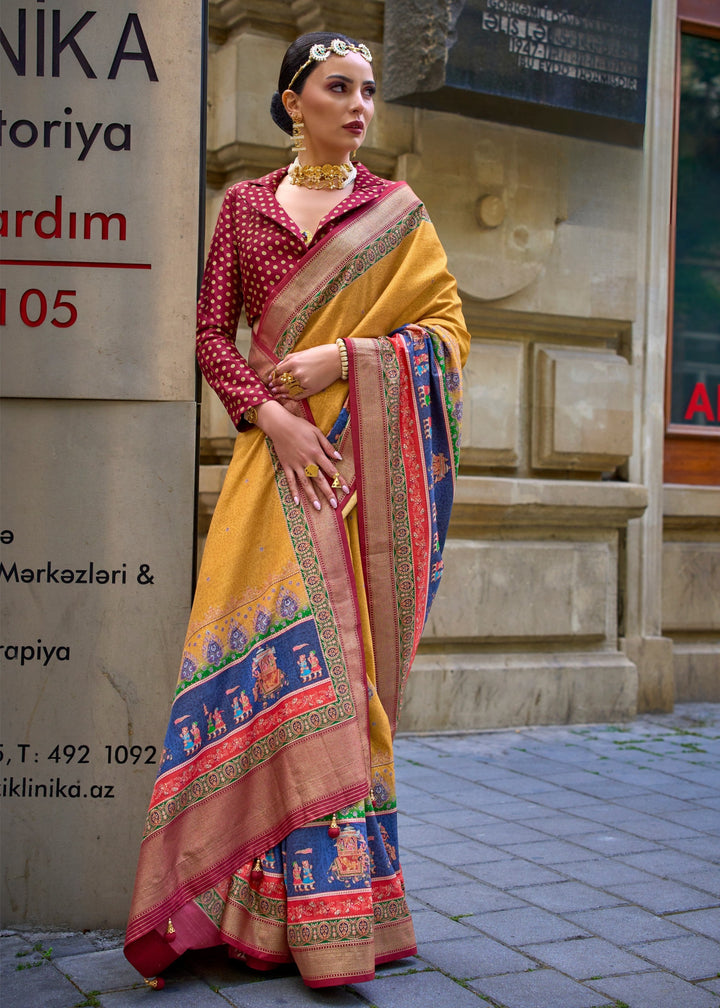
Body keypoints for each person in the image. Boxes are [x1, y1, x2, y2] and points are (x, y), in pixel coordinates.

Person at [124, 30, 470, 990]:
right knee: (264, 675)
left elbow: (445, 333)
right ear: (292, 102)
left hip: (359, 476)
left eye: (367, 91)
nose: (359, 106)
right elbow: (208, 331)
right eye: (337, 88)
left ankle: (334, 923)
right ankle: (234, 911)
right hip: (272, 473)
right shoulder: (242, 209)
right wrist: (272, 412)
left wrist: (349, 360)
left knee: (338, 681)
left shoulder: (397, 214)